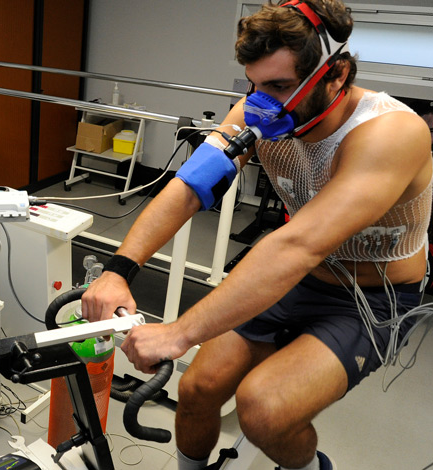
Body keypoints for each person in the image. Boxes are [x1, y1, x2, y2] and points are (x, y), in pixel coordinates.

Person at [80, 1, 432, 469]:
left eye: (280, 87)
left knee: (264, 410)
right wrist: (119, 270)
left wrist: (179, 335)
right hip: (292, 280)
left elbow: (298, 244)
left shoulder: (389, 132)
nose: (258, 103)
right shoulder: (257, 111)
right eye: (254, 85)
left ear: (337, 74)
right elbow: (188, 187)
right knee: (198, 389)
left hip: (370, 298)